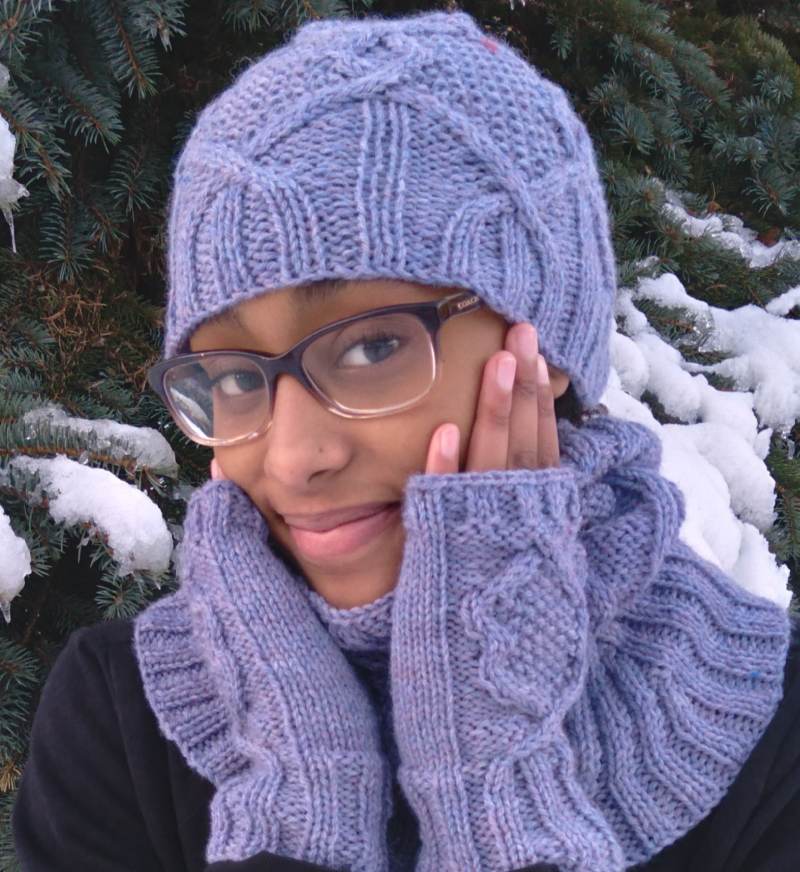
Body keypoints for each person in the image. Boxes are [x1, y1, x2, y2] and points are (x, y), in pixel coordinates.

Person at [12, 9, 800, 872]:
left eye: (371, 348)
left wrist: (492, 783)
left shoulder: (771, 738)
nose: (292, 457)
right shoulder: (117, 720)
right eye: (235, 377)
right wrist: (306, 800)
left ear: (542, 352)